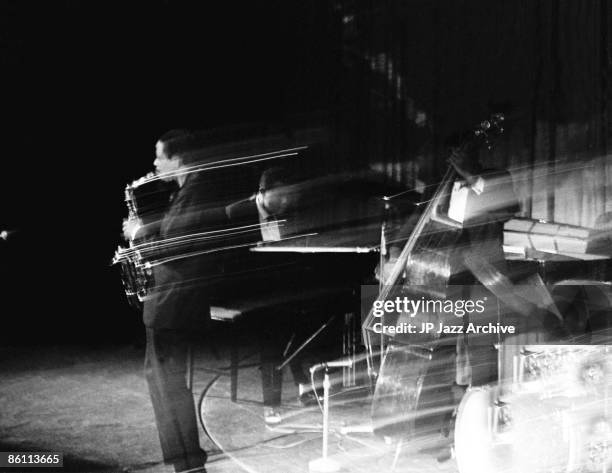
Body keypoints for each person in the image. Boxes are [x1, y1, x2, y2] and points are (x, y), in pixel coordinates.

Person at [122, 130, 213, 473]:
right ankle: (185, 461)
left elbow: (178, 247)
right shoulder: (188, 192)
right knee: (165, 384)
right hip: (170, 301)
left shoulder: (197, 191)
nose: (155, 164)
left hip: (174, 304)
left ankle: (187, 464)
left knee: (168, 387)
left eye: (160, 156)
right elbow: (177, 237)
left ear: (179, 158)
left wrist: (139, 236)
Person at [222, 166, 318, 424]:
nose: (289, 201)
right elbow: (229, 265)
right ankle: (274, 401)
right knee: (275, 325)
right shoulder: (235, 214)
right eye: (284, 196)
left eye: (292, 195)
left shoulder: (288, 212)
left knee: (307, 314)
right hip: (242, 290)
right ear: (263, 193)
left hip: (275, 287)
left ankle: (302, 384)